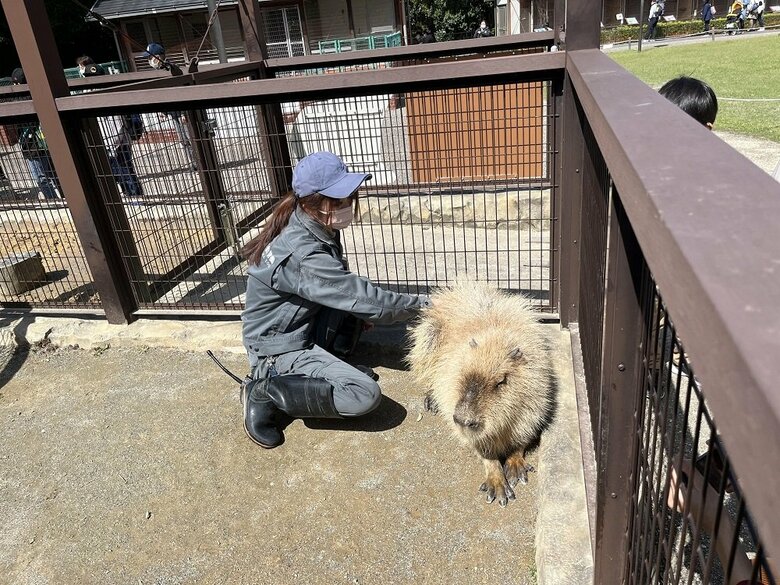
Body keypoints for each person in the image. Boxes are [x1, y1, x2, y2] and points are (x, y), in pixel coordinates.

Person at [239, 151, 432, 448]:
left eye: (348, 196)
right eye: (338, 200)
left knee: (355, 318)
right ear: (312, 202)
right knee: (362, 394)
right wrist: (426, 306)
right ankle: (265, 391)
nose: (347, 205)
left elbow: (345, 290)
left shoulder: (312, 223)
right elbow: (368, 300)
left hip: (298, 326)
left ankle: (324, 369)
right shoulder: (302, 251)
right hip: (278, 346)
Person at [84, 65, 144, 197]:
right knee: (116, 172)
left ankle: (136, 195)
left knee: (126, 170)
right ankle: (128, 193)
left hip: (119, 141)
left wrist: (113, 145)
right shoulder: (91, 97)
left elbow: (118, 124)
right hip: (106, 142)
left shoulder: (111, 95)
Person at [11, 68, 62, 200]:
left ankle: (53, 200)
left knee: (40, 176)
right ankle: (64, 197)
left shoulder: (19, 100)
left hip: (31, 144)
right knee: (53, 173)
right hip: (45, 141)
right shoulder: (38, 92)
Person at [143, 43, 196, 171]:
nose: (149, 61)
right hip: (173, 112)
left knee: (192, 137)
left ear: (158, 56)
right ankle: (194, 164)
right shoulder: (157, 72)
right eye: (148, 59)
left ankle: (201, 162)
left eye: (151, 58)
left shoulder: (171, 68)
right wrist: (163, 111)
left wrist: (184, 112)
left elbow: (181, 90)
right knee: (183, 140)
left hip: (183, 111)